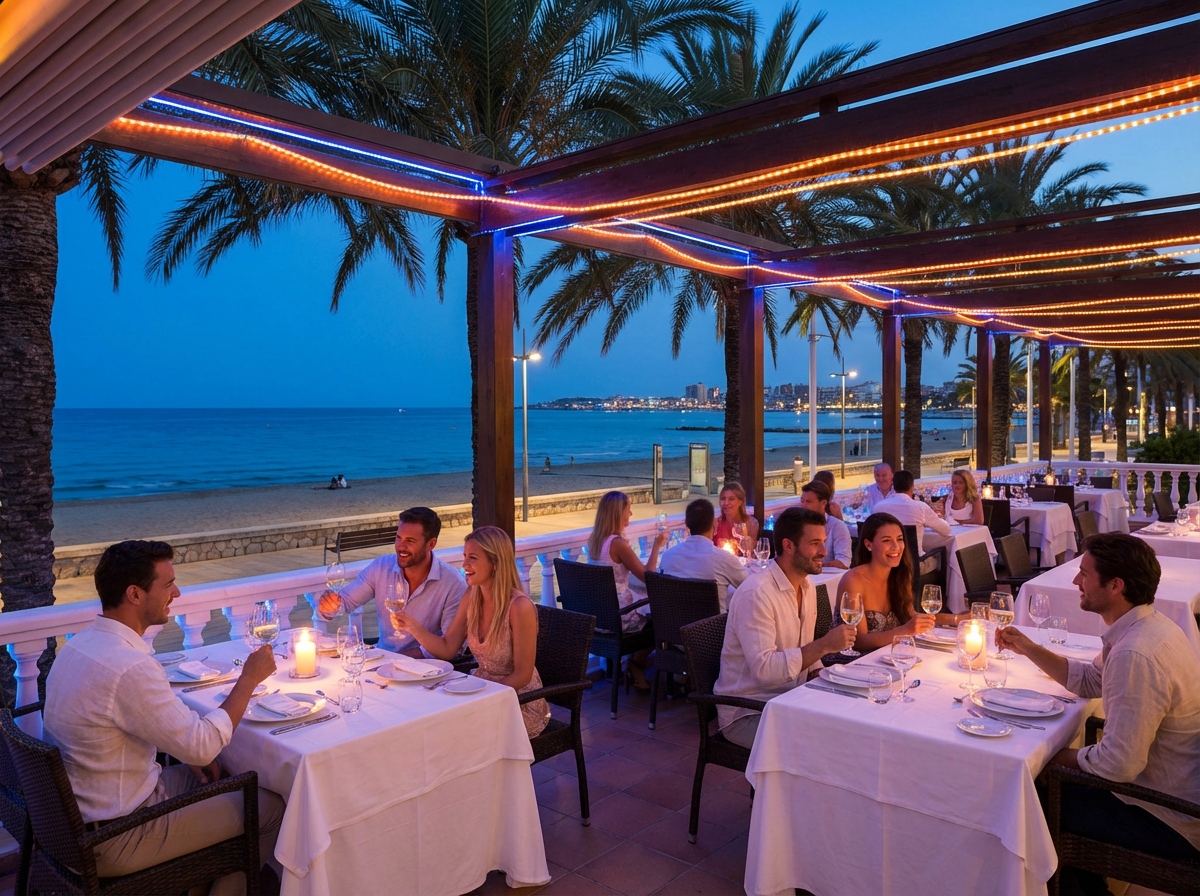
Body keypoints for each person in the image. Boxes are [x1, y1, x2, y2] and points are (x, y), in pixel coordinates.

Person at [43, 540, 284, 896]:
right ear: (135, 594)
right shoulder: (129, 666)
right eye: (168, 584)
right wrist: (248, 679)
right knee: (270, 807)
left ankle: (197, 883)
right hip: (115, 835)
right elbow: (202, 746)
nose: (177, 592)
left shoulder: (79, 645)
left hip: (72, 822)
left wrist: (189, 756)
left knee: (229, 775)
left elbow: (149, 727)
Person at [996, 533, 1200, 886]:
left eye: (1085, 574)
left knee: (1027, 805)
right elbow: (1091, 681)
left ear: (1116, 585)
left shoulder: (1135, 654)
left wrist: (1051, 757)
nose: (1076, 581)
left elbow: (1118, 764)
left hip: (1168, 818)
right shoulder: (1152, 626)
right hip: (1173, 794)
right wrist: (1029, 648)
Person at [714, 507, 857, 748]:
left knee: (855, 720)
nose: (823, 551)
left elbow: (806, 656)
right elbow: (765, 671)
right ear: (789, 546)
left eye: (823, 542)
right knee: (827, 743)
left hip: (791, 699)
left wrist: (829, 681)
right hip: (750, 713)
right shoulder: (757, 593)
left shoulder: (807, 586)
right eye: (815, 543)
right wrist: (824, 646)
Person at [394, 527, 550, 738]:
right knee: (427, 720)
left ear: (494, 563)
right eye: (465, 557)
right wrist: (412, 626)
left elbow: (522, 676)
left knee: (453, 733)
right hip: (480, 688)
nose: (464, 565)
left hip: (517, 701)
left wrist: (482, 696)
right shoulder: (471, 596)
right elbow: (448, 649)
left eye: (473, 558)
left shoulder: (519, 607)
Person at [317, 507, 465, 657]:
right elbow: (346, 602)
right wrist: (329, 606)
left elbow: (452, 646)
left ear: (431, 544)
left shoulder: (453, 583)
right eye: (398, 538)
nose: (401, 546)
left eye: (410, 541)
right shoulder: (381, 567)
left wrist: (399, 660)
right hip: (383, 662)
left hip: (427, 671)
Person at [832, 513, 953, 651]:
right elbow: (858, 641)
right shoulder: (853, 581)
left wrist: (956, 619)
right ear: (868, 544)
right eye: (887, 540)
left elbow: (913, 618)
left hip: (887, 655)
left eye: (899, 539)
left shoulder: (899, 576)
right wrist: (904, 630)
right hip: (851, 663)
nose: (896, 547)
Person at [587, 491, 668, 690]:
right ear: (618, 513)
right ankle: (636, 663)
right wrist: (657, 545)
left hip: (599, 613)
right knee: (665, 618)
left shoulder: (595, 541)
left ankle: (630, 665)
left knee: (651, 607)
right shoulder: (618, 544)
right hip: (618, 615)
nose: (630, 514)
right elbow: (648, 576)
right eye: (628, 509)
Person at [659, 498, 748, 611]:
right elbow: (750, 588)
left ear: (687, 524)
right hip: (714, 627)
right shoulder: (724, 559)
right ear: (714, 524)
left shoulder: (668, 556)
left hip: (674, 626)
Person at [873, 469, 950, 553]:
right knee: (940, 557)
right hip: (914, 563)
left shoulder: (878, 507)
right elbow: (946, 530)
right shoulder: (920, 507)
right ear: (912, 487)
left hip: (887, 560)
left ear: (893, 487)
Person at [799, 479, 852, 569]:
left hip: (827, 578)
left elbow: (843, 562)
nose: (803, 506)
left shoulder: (837, 526)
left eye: (808, 502)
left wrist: (816, 568)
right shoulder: (797, 525)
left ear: (823, 503)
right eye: (802, 501)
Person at [713, 482, 760, 550]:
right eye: (723, 499)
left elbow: (752, 554)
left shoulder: (751, 523)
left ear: (740, 502)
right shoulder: (716, 523)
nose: (726, 503)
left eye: (731, 499)